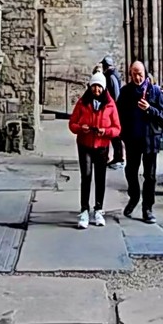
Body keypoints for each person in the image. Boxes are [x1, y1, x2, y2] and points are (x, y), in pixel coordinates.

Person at [117, 60, 163, 223]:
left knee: (150, 176)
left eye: (139, 74)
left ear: (145, 73)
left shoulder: (155, 91)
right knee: (130, 171)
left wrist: (149, 109)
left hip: (150, 139)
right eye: (134, 74)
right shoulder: (125, 92)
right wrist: (122, 135)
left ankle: (148, 208)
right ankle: (134, 196)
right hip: (132, 139)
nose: (137, 78)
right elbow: (119, 114)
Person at [68, 71, 121, 229]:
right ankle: (84, 210)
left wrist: (106, 131)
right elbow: (72, 124)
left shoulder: (110, 105)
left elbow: (117, 128)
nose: (96, 90)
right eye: (94, 86)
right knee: (86, 176)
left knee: (100, 178)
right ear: (90, 87)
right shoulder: (82, 102)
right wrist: (81, 128)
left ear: (104, 88)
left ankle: (98, 209)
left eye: (99, 87)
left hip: (102, 146)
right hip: (85, 144)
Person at [102, 55, 124, 168]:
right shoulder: (112, 74)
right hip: (113, 107)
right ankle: (117, 157)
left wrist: (113, 107)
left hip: (113, 108)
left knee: (115, 135)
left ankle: (119, 158)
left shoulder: (111, 76)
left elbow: (116, 94)